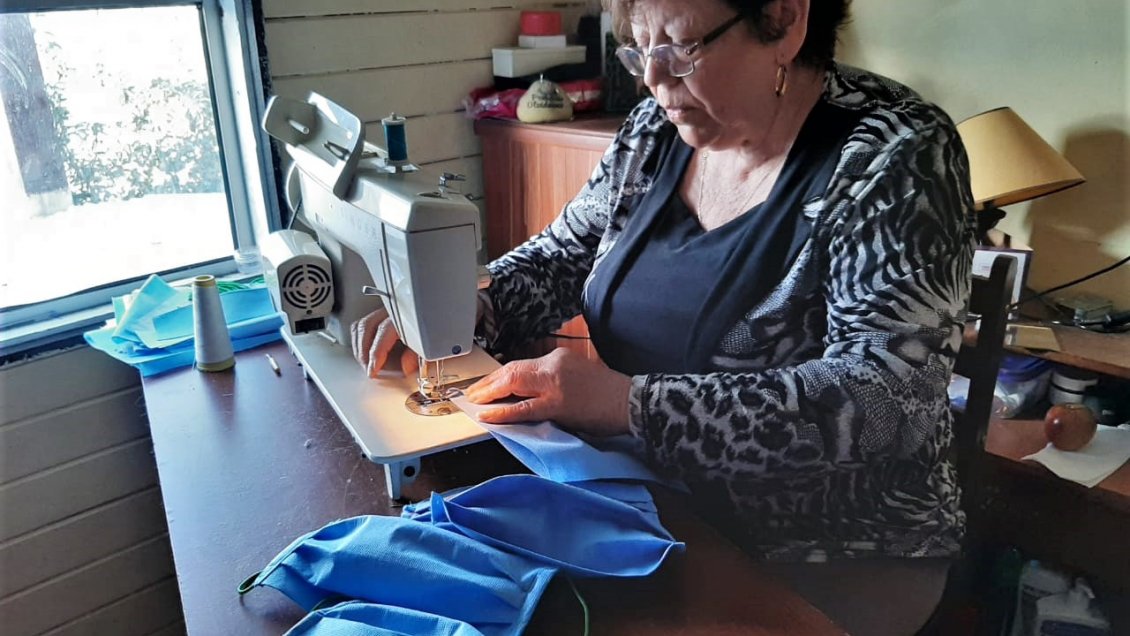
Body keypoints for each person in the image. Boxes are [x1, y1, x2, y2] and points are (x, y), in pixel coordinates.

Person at [353, 0, 975, 632]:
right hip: (641, 498)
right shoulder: (656, 127)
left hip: (828, 548)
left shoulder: (896, 154)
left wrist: (629, 405)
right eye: (638, 46)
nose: (651, 78)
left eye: (681, 47)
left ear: (785, 20)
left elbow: (889, 402)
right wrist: (460, 307)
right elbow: (560, 257)